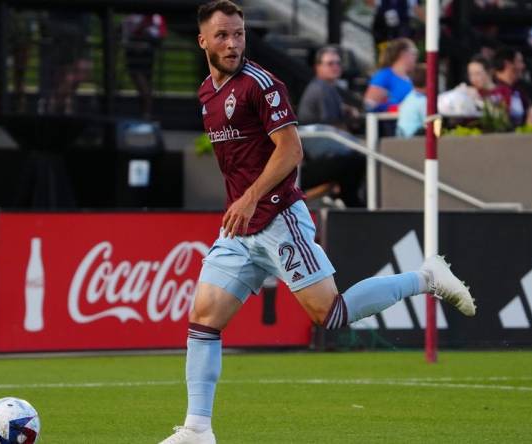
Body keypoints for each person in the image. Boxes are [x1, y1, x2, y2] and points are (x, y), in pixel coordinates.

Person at [159, 2, 476, 443]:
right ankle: (197, 429)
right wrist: (242, 202)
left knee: (333, 314)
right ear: (202, 41)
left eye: (239, 33)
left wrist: (251, 197)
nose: (232, 43)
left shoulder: (262, 85)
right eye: (222, 36)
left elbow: (290, 150)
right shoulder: (206, 94)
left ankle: (426, 277)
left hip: (278, 219)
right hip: (240, 228)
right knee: (204, 318)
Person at [297, 46, 365, 207]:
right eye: (330, 63)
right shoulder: (321, 89)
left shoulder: (330, 89)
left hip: (323, 153)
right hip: (309, 161)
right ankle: (351, 204)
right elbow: (331, 126)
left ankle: (347, 200)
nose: (335, 67)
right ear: (317, 67)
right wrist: (351, 119)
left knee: (356, 159)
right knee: (357, 160)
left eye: (338, 63)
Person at [122, 13, 167, 119]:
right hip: (133, 55)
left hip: (146, 55)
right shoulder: (131, 18)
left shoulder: (156, 18)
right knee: (142, 85)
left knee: (145, 85)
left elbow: (160, 35)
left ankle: (146, 113)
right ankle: (146, 113)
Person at [363, 37, 417, 112]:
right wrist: (395, 108)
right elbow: (369, 105)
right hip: (393, 122)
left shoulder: (409, 78)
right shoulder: (385, 75)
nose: (416, 58)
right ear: (403, 54)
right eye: (414, 53)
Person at [490, 47, 532, 128]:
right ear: (508, 64)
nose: (523, 66)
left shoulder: (517, 91)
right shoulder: (493, 90)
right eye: (519, 62)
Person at [396, 63, 427, 137]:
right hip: (414, 139)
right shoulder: (424, 101)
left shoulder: (409, 97)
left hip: (400, 137)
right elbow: (430, 122)